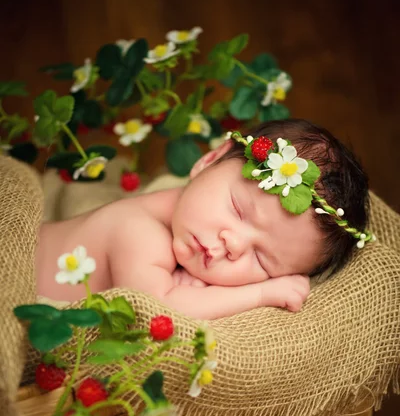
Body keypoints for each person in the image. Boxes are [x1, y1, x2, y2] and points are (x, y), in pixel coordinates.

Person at [36, 119, 374, 319]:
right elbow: (159, 310)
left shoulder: (188, 213)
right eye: (238, 210)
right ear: (207, 161)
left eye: (262, 260)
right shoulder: (137, 231)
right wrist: (261, 293)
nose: (234, 244)